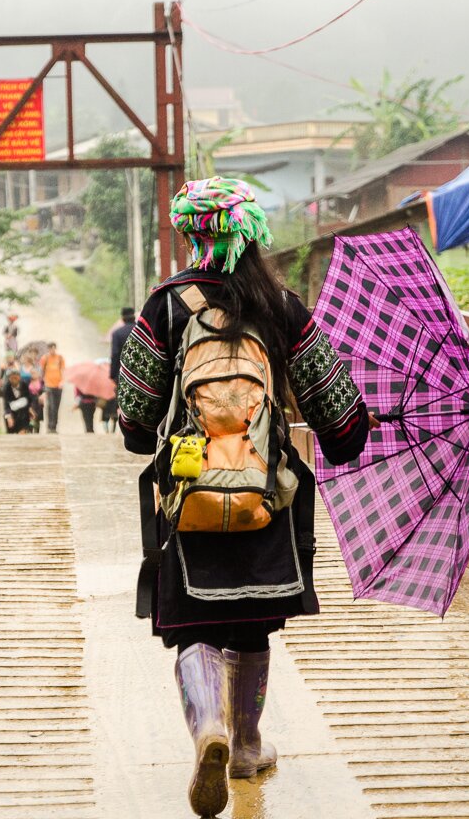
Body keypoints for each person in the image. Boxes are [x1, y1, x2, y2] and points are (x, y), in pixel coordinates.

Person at [116, 177, 372, 817]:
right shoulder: (281, 305)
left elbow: (134, 423)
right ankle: (247, 746)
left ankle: (208, 729)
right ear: (252, 234)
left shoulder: (165, 308)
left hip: (191, 487)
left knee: (196, 628)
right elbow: (340, 423)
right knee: (251, 625)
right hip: (262, 492)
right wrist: (355, 427)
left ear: (191, 233)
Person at [39, 342, 65, 433]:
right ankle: (49, 426)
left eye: (54, 348)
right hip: (48, 385)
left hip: (58, 385)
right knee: (51, 406)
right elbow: (41, 371)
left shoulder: (60, 358)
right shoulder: (45, 359)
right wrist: (42, 384)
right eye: (51, 349)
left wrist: (62, 381)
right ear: (48, 349)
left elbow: (63, 370)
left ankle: (54, 426)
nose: (52, 350)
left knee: (56, 407)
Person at [0, 369, 35, 434]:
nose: (14, 379)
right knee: (11, 432)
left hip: (23, 414)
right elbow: (6, 404)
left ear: (19, 377)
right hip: (11, 413)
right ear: (9, 379)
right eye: (12, 378)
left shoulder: (24, 385)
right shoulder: (6, 388)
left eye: (16, 377)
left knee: (22, 430)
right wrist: (9, 416)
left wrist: (30, 408)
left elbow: (28, 398)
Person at [110, 306, 135, 383]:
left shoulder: (117, 334)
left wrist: (113, 374)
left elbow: (115, 354)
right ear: (134, 317)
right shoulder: (141, 330)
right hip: (140, 374)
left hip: (122, 373)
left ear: (123, 318)